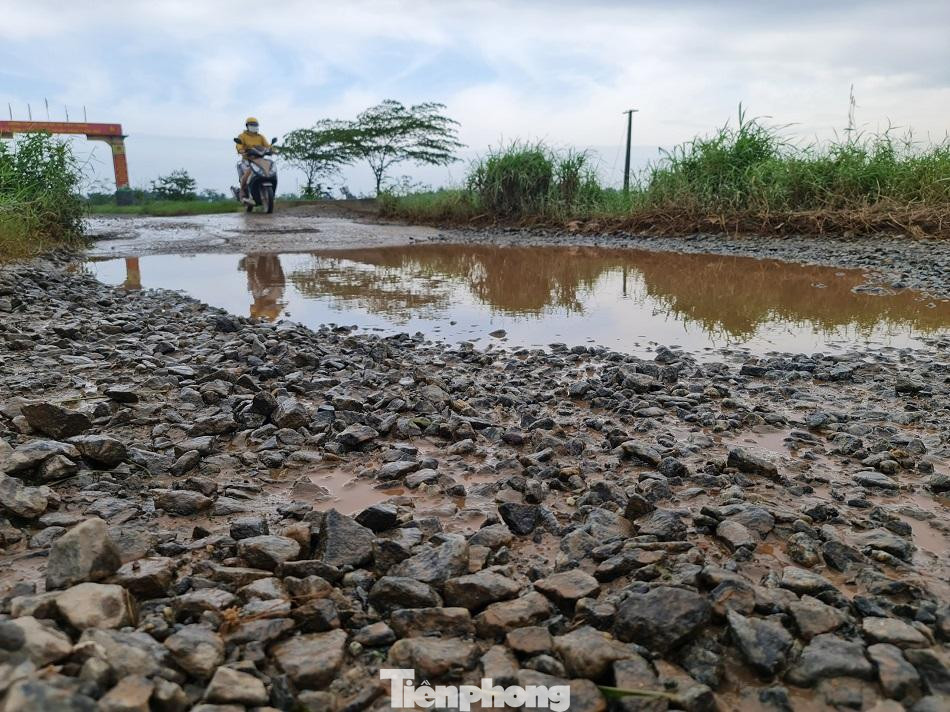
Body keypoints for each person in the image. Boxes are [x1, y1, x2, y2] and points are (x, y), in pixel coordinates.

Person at [235, 117, 271, 204]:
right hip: (248, 160)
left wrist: (272, 150)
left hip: (259, 160)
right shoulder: (242, 136)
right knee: (248, 172)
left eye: (255, 125)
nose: (254, 127)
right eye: (252, 125)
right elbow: (239, 146)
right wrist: (241, 150)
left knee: (269, 170)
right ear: (247, 126)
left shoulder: (260, 137)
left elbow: (267, 146)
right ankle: (242, 191)